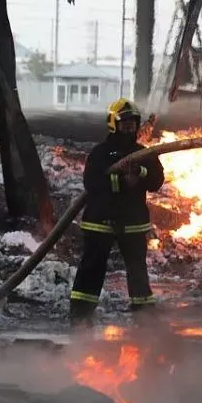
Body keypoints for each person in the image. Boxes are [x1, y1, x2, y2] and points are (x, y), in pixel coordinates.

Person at [69, 98, 165, 326]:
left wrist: (140, 173)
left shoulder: (143, 153)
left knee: (137, 269)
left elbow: (156, 181)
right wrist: (120, 181)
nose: (129, 126)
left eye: (133, 122)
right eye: (124, 122)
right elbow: (92, 183)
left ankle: (144, 316)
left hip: (133, 222)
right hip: (101, 221)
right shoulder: (100, 153)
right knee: (92, 268)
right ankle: (80, 315)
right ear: (113, 123)